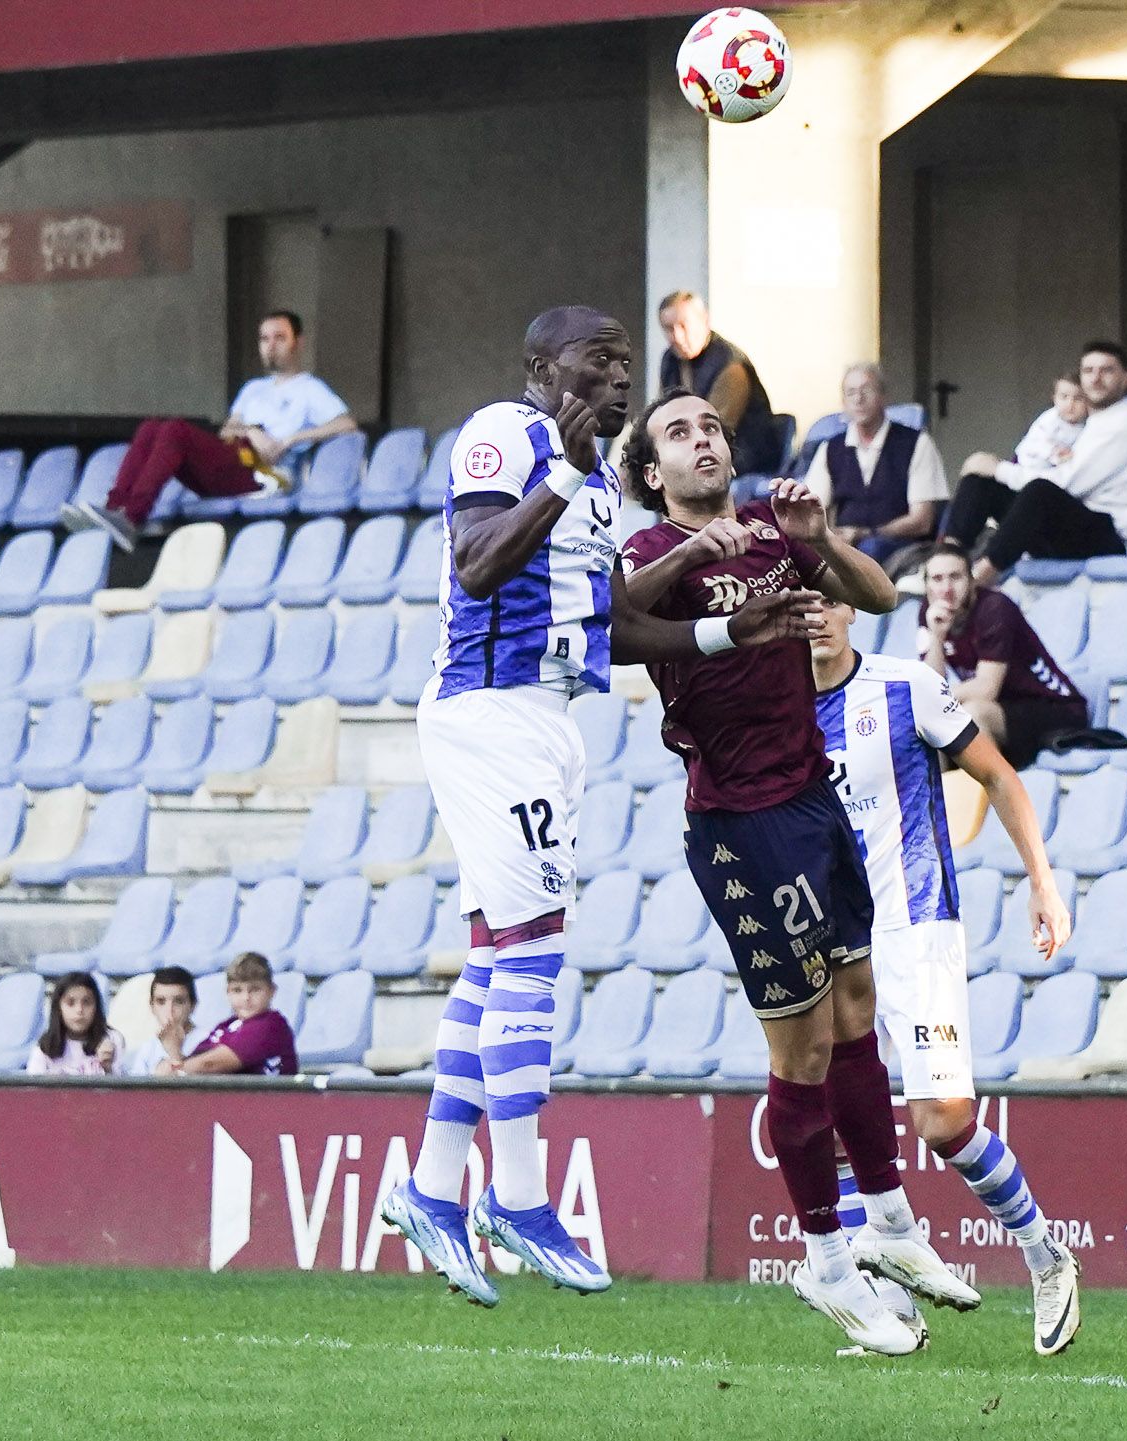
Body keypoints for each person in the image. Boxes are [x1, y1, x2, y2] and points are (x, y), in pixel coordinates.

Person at [376, 306, 814, 1311]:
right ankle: (519, 1196)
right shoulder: (504, 435)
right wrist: (566, 472)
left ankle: (434, 1187)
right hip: (490, 711)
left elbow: (614, 625)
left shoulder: (604, 488)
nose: (619, 375)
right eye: (596, 360)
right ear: (542, 367)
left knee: (496, 953)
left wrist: (724, 634)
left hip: (548, 719)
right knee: (532, 949)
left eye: (625, 362)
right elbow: (478, 563)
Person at [619, 388, 967, 1358]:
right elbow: (612, 628)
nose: (702, 442)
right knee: (802, 1047)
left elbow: (881, 596)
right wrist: (697, 552)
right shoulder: (651, 552)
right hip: (737, 824)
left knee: (857, 1009)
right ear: (652, 472)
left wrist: (815, 537)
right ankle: (821, 1258)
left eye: (710, 428)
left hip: (812, 804)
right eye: (679, 433)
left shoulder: (773, 529)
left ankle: (891, 1227)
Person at [808, 599, 1082, 1355]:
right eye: (802, 605)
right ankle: (895, 1309)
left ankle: (1044, 1255)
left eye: (829, 602)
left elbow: (996, 775)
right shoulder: (777, 710)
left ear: (850, 612)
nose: (817, 618)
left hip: (916, 923)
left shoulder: (907, 686)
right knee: (843, 1127)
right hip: (835, 937)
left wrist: (1042, 881)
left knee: (941, 1121)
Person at [61, 311, 359, 550]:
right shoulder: (253, 389)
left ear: (298, 343)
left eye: (280, 338)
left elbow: (347, 423)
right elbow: (228, 429)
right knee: (152, 427)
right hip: (233, 457)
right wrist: (251, 429)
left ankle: (133, 515)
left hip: (261, 470)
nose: (271, 346)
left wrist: (293, 438)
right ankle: (116, 509)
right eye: (265, 339)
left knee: (176, 429)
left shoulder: (309, 388)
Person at [940, 341, 1127, 580]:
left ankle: (977, 581)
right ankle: (944, 561)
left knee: (1039, 492)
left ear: (1125, 379)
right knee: (981, 482)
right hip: (1077, 526)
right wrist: (992, 472)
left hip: (1113, 539)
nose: (1096, 378)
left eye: (1107, 371)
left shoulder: (1123, 424)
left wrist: (999, 468)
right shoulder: (1093, 422)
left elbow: (1064, 484)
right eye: (1088, 371)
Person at [915, 544, 1089, 766]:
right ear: (927, 585)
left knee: (972, 713)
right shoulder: (929, 613)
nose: (946, 589)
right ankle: (942, 799)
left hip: (1055, 709)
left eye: (955, 577)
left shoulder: (994, 608)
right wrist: (937, 637)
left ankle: (992, 799)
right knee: (929, 725)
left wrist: (933, 702)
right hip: (1004, 709)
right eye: (937, 579)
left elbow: (986, 689)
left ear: (971, 580)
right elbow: (934, 683)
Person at [797, 363, 948, 566]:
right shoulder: (831, 448)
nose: (858, 399)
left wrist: (864, 534)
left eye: (866, 390)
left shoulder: (915, 443)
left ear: (884, 397)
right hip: (845, 544)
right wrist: (829, 537)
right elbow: (811, 508)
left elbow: (922, 521)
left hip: (902, 546)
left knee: (870, 549)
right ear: (843, 402)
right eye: (851, 393)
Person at [656, 289, 780, 478]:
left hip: (742, 464)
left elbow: (713, 429)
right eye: (668, 328)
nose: (677, 336)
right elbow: (661, 414)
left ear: (704, 321)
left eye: (683, 325)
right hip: (695, 456)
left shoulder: (730, 365)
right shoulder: (670, 360)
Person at [164, 954, 297, 1076]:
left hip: (269, 1100)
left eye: (255, 989)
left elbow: (208, 1065)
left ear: (272, 991)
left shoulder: (271, 1025)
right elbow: (192, 1062)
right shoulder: (227, 1026)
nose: (246, 998)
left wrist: (175, 1068)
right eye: (237, 990)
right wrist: (174, 1053)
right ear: (228, 992)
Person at [960, 376, 1089, 496]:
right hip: (1026, 465)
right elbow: (1037, 441)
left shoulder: (1087, 428)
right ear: (1054, 398)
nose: (1070, 404)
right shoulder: (1050, 419)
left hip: (1049, 485)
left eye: (1078, 399)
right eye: (1064, 397)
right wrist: (1053, 453)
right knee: (975, 474)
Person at [28, 972, 119, 1076]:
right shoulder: (45, 1048)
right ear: (58, 1008)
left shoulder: (112, 1041)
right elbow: (32, 1089)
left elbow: (125, 1089)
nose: (79, 1010)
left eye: (87, 1002)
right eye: (70, 1003)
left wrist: (108, 1068)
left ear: (96, 1007)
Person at [120, 966, 198, 1077]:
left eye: (178, 1001)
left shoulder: (208, 1041)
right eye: (161, 1002)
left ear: (193, 1005)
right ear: (152, 1006)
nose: (169, 1010)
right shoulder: (148, 1048)